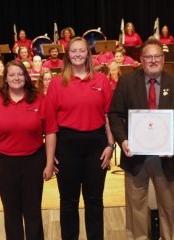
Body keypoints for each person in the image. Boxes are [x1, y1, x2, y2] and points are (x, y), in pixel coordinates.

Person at [108, 38, 174, 240]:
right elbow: (115, 114)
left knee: (166, 208)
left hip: (166, 158)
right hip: (135, 157)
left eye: (157, 56)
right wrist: (123, 140)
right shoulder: (127, 82)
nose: (153, 60)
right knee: (136, 208)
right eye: (148, 57)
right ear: (141, 59)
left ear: (163, 59)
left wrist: (172, 145)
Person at [45, 37, 114, 239]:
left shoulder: (101, 80)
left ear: (88, 54)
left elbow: (108, 115)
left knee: (94, 200)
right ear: (68, 54)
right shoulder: (57, 83)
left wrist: (111, 145)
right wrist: (51, 155)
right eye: (73, 51)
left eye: (81, 50)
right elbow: (50, 124)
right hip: (66, 146)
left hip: (96, 145)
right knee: (68, 201)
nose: (77, 54)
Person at [0, 60, 55, 240]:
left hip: (34, 161)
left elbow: (51, 132)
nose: (16, 78)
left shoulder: (39, 100)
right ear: (5, 78)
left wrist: (49, 162)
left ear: (26, 77)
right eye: (11, 74)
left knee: (33, 211)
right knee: (11, 212)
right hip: (4, 163)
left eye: (20, 74)